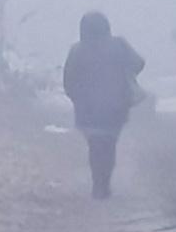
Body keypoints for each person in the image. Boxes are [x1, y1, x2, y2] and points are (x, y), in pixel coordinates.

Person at [62, 12, 145, 199]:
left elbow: (68, 81)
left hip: (87, 110)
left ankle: (98, 184)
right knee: (109, 145)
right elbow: (139, 63)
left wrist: (78, 98)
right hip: (116, 108)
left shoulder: (77, 50)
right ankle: (104, 183)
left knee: (94, 146)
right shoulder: (119, 45)